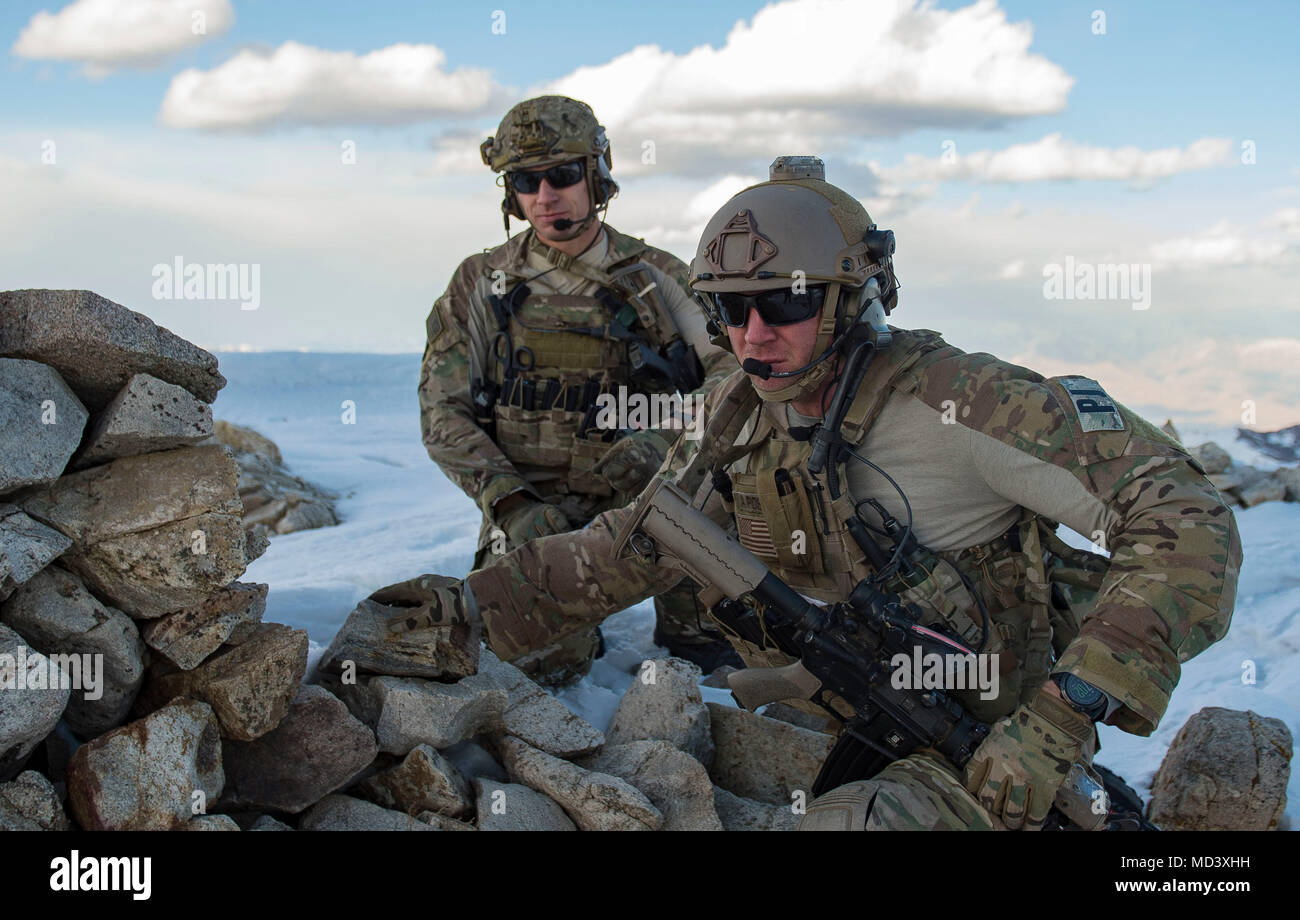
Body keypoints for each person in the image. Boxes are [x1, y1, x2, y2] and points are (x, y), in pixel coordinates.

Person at [397, 155, 1241, 829]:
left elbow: (1186, 519)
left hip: (988, 757)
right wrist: (455, 616)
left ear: (847, 297)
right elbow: (631, 549)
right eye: (729, 310)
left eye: (782, 302)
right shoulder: (737, 411)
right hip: (826, 731)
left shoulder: (959, 400)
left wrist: (1064, 714)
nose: (753, 335)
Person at [418, 95, 739, 683]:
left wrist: (664, 438)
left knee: (721, 645)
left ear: (597, 175)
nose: (545, 196)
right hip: (532, 510)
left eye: (562, 176)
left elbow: (734, 378)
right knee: (528, 661)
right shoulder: (481, 283)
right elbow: (443, 413)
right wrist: (511, 505)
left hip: (652, 505)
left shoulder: (657, 277)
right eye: (524, 181)